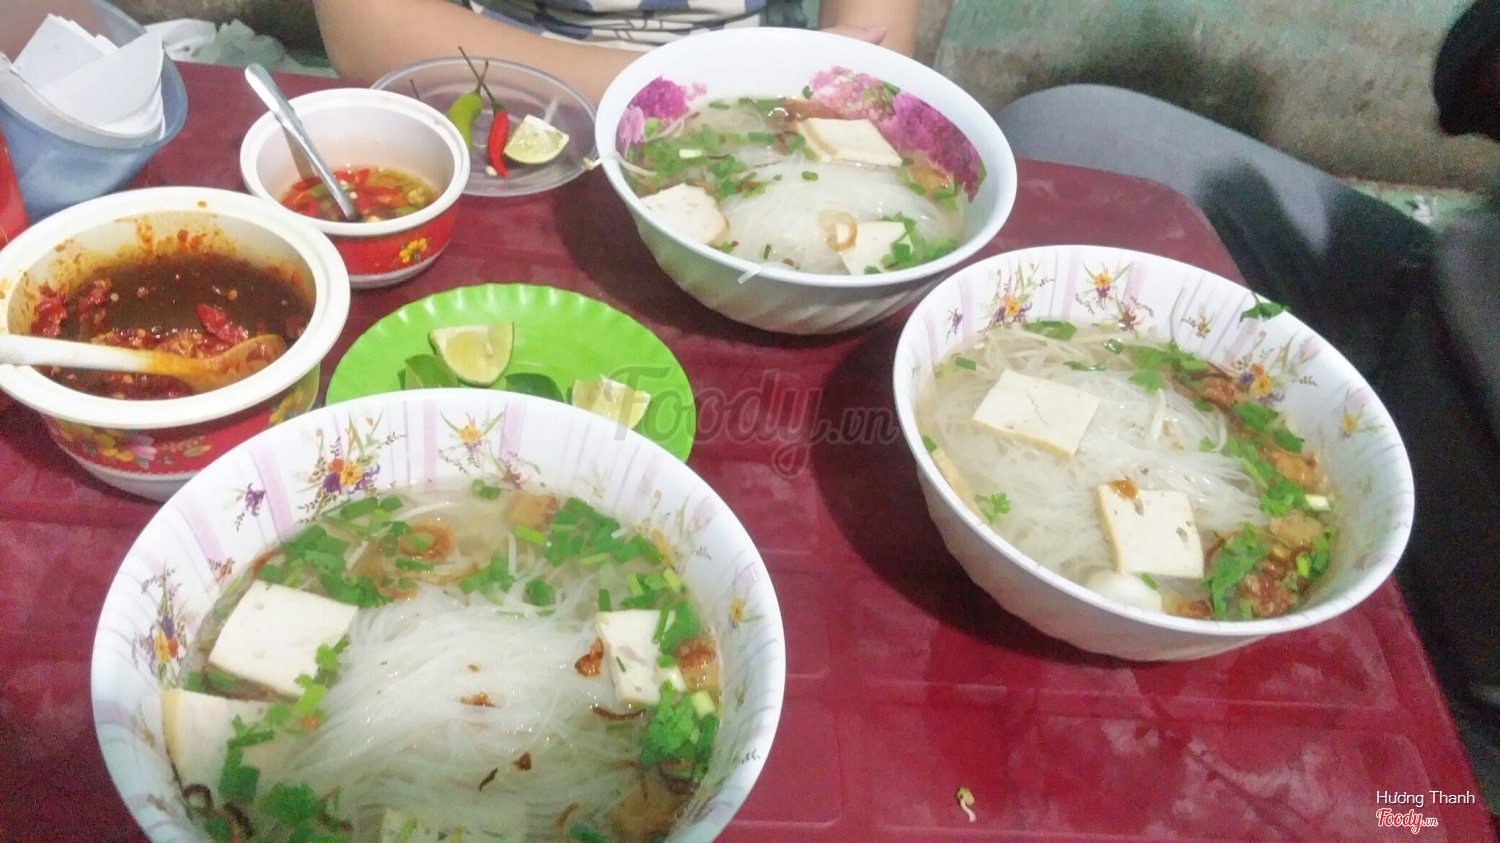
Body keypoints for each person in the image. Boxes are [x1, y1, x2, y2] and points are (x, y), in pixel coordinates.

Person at [992, 3, 1500, 726]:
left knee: (1400, 791)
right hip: (1434, 293)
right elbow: (1468, 72)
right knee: (1064, 130)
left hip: (1475, 639)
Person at [313, 0, 920, 104]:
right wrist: (703, 85)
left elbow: (876, 54)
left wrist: (746, 84)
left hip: (773, 100)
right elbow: (362, 25)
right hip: (502, 103)